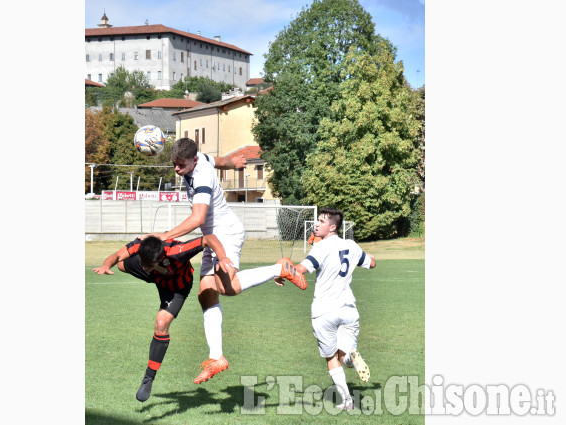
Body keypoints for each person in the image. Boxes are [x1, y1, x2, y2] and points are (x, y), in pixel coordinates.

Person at [152, 137, 307, 384]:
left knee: (227, 289)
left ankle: (281, 267)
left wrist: (165, 236)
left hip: (225, 234)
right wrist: (233, 163)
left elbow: (198, 218)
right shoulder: (198, 158)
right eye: (173, 164)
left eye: (180, 165)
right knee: (206, 294)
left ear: (192, 160)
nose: (176, 170)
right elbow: (217, 160)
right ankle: (217, 358)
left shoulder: (202, 177)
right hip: (212, 237)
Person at [92, 233, 233, 402]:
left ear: (160, 257)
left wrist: (222, 257)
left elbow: (209, 238)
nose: (143, 266)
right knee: (121, 264)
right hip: (155, 274)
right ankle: (148, 267)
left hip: (176, 288)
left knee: (161, 323)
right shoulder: (141, 246)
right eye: (142, 262)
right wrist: (106, 265)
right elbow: (116, 255)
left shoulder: (178, 251)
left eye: (146, 263)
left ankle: (148, 378)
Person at [276, 207, 376, 411]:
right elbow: (372, 263)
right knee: (345, 356)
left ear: (332, 227)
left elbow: (300, 271)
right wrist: (365, 255)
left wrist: (281, 273)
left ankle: (347, 402)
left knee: (332, 358)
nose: (317, 224)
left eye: (321, 221)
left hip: (324, 311)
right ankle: (352, 358)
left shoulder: (320, 247)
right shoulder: (351, 245)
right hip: (349, 310)